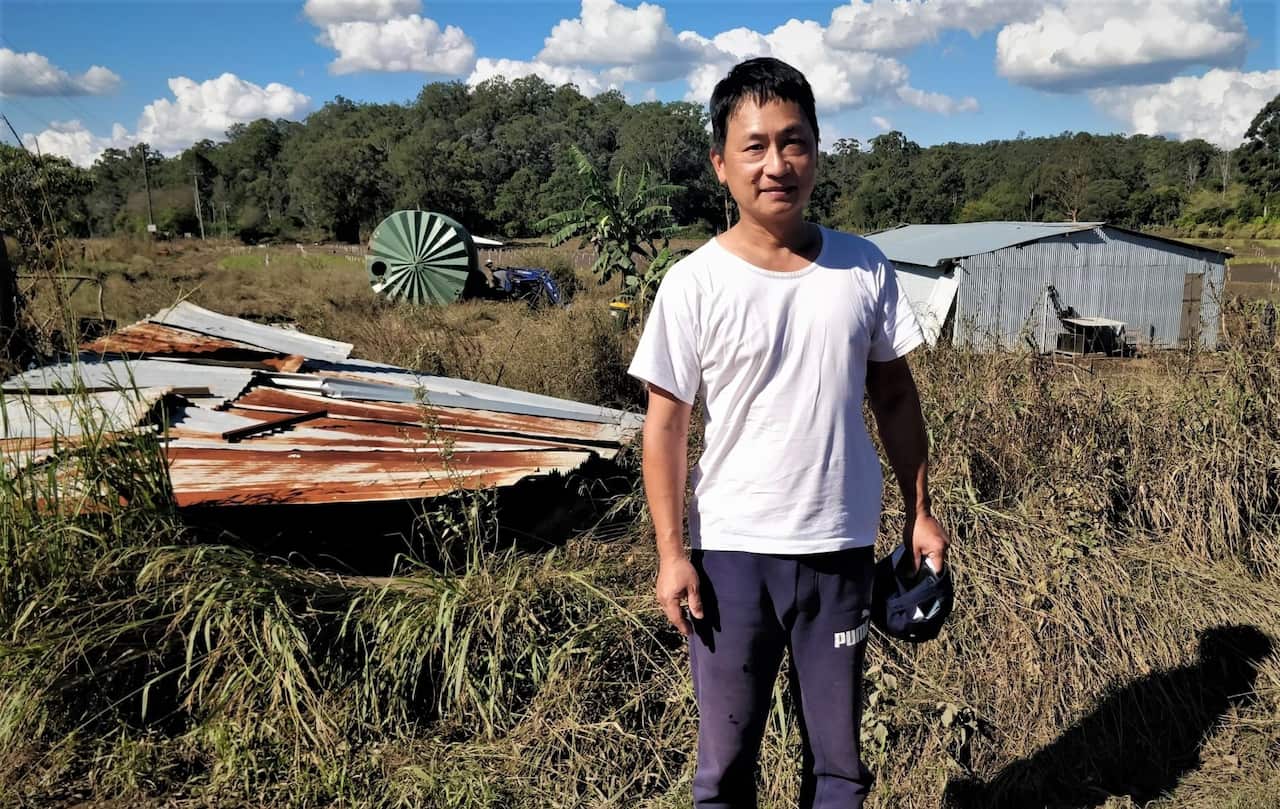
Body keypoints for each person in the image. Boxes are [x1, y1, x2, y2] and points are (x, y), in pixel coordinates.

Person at [627, 57, 949, 809]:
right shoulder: (693, 283)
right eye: (756, 145)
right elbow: (665, 427)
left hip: (839, 547)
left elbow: (897, 398)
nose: (778, 164)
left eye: (794, 142)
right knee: (725, 769)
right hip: (733, 557)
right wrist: (672, 554)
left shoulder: (863, 267)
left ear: (817, 150)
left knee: (839, 767)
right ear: (721, 163)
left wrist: (919, 510)